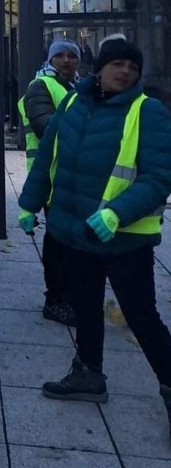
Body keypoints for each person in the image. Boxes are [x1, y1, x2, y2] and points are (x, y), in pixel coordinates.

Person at [18, 37, 171, 438]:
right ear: (99, 68)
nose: (125, 72)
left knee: (142, 318)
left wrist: (117, 213)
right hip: (76, 232)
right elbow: (49, 156)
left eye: (132, 68)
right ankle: (89, 374)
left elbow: (159, 179)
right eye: (117, 64)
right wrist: (29, 203)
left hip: (124, 241)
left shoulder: (147, 112)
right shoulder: (71, 104)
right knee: (85, 306)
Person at [17, 39, 81, 325]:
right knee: (58, 242)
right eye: (61, 56)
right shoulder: (40, 86)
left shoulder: (76, 87)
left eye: (72, 56)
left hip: (74, 177)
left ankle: (69, 295)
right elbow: (46, 127)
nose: (67, 60)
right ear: (50, 60)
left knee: (71, 242)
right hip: (52, 177)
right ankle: (55, 301)